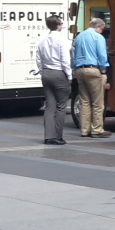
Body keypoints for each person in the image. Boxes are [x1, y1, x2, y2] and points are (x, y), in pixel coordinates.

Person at [72, 17, 112, 138]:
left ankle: (84, 129)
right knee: (97, 102)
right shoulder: (98, 37)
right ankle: (97, 129)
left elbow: (73, 54)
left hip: (80, 70)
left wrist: (74, 68)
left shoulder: (79, 36)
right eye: (102, 29)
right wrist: (104, 70)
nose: (102, 31)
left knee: (84, 101)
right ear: (98, 27)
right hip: (94, 70)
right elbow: (102, 55)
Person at [36, 14, 73, 145]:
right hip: (59, 73)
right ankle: (58, 136)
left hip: (46, 73)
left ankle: (48, 136)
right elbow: (65, 60)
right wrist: (69, 75)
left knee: (49, 106)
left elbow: (38, 59)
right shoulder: (62, 40)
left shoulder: (42, 40)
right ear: (58, 26)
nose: (62, 26)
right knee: (61, 106)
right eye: (61, 24)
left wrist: (42, 71)